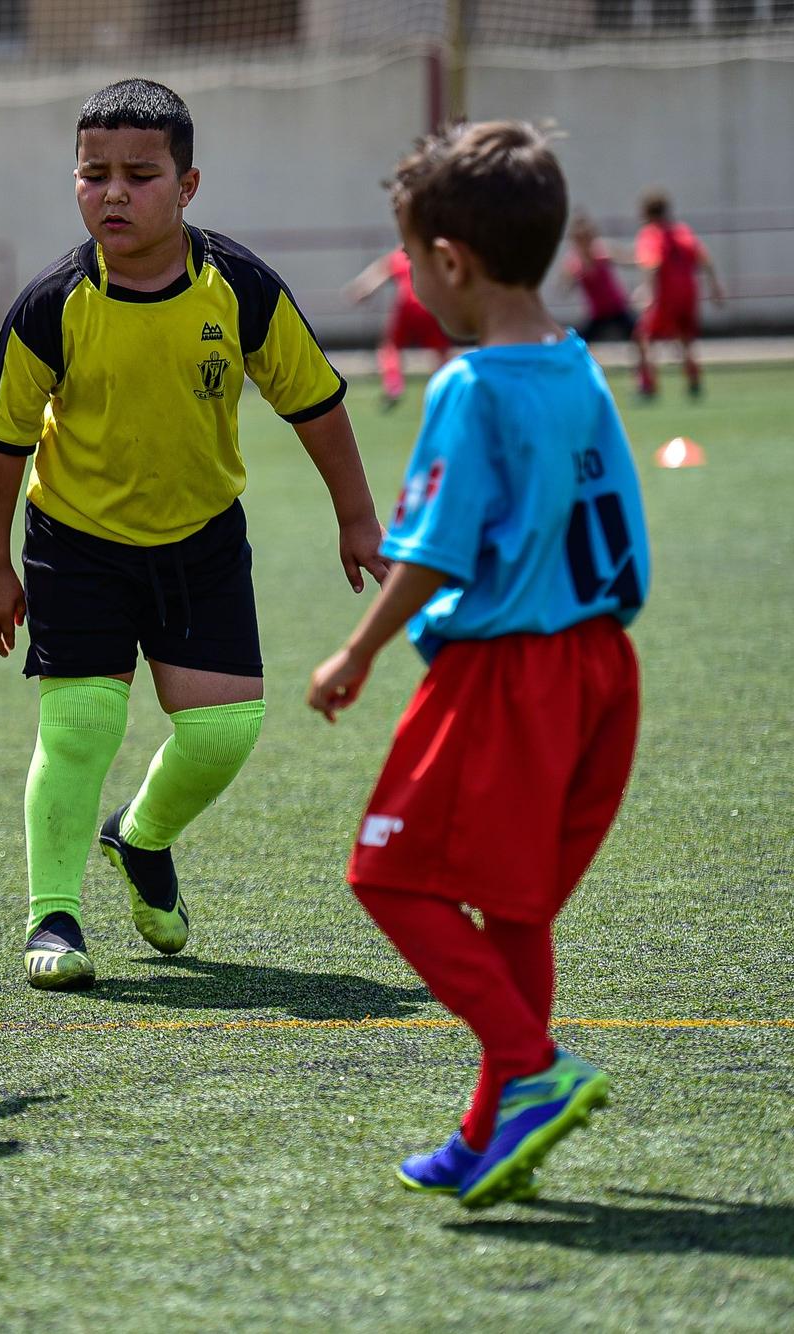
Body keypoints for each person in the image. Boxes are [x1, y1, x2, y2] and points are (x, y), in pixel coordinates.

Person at [0, 78, 388, 991]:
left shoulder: (238, 287)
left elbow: (313, 402)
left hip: (199, 540)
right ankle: (54, 915)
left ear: (188, 186)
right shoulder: (50, 306)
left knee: (224, 732)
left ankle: (141, 836)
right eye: (93, 174)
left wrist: (355, 516)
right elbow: (1, 443)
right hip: (74, 540)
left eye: (140, 175)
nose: (113, 193)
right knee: (82, 720)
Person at [308, 122, 645, 1208]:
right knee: (513, 907)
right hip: (600, 664)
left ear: (447, 261)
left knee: (384, 873)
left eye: (409, 258)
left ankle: (533, 1073)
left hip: (506, 674)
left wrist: (354, 652)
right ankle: (491, 1127)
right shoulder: (574, 360)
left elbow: (432, 547)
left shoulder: (468, 386)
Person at [633, 188, 725, 400]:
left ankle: (648, 386)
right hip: (688, 293)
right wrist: (715, 287)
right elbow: (704, 258)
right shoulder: (682, 231)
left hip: (666, 295)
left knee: (643, 337)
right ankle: (694, 382)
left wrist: (647, 290)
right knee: (685, 340)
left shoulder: (651, 233)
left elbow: (653, 263)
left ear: (646, 213)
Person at [346, 246, 450, 411]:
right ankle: (447, 385)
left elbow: (377, 274)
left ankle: (393, 385)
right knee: (440, 350)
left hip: (407, 306)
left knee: (391, 347)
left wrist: (361, 290)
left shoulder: (400, 256)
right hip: (428, 306)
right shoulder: (430, 254)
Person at [560, 212, 634, 343]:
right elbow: (565, 287)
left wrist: (640, 261)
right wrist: (574, 276)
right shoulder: (575, 263)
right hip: (598, 313)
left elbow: (624, 259)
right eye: (580, 239)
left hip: (617, 307)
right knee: (580, 340)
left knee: (636, 333)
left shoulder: (601, 251)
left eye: (587, 237)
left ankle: (644, 361)